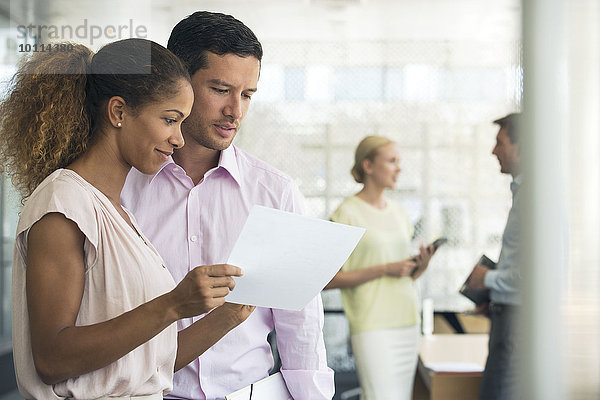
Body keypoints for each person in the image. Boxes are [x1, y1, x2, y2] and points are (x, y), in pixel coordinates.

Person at [1, 38, 253, 400]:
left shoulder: (120, 213)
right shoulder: (63, 204)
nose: (179, 139)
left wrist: (229, 315)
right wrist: (172, 304)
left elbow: (147, 366)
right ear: (118, 112)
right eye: (170, 120)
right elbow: (53, 359)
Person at [121, 11, 334, 400]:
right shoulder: (122, 189)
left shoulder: (276, 193)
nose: (235, 111)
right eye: (220, 89)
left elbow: (300, 324)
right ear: (178, 84)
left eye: (247, 94)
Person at [325, 135, 436, 400]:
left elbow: (404, 275)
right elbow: (328, 278)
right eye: (392, 161)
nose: (399, 168)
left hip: (407, 320)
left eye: (400, 161)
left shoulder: (399, 213)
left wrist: (419, 267)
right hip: (372, 324)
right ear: (368, 165)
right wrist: (384, 269)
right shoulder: (346, 213)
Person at [468, 113, 521, 400]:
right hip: (507, 314)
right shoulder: (524, 194)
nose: (493, 151)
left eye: (500, 143)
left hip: (516, 320)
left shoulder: (536, 198)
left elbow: (537, 274)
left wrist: (487, 278)